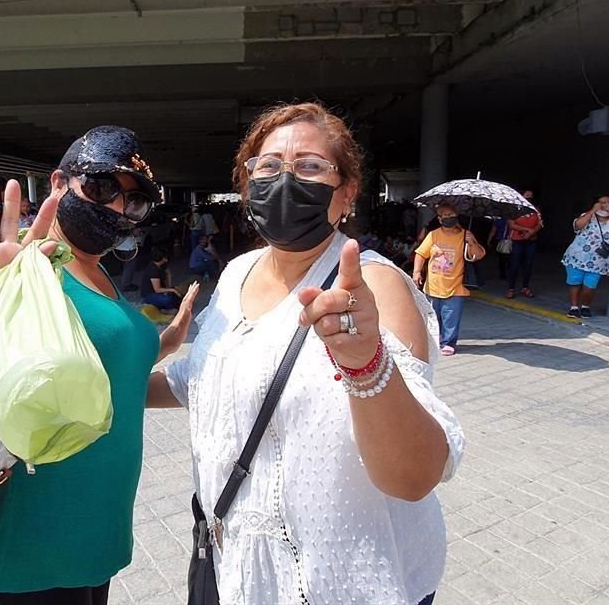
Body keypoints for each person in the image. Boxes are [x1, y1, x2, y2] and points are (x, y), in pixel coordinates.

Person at [147, 102, 463, 605]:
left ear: (348, 192)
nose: (285, 180)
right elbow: (200, 381)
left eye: (310, 166)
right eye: (268, 167)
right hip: (235, 573)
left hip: (344, 580)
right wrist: (108, 368)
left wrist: (367, 365)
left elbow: (414, 477)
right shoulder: (235, 275)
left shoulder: (375, 286)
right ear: (247, 186)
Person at [0, 126, 198, 605]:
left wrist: (163, 350)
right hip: (16, 554)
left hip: (89, 542)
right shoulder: (13, 268)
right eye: (102, 187)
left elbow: (90, 374)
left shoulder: (101, 274)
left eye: (134, 202)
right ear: (59, 183)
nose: (117, 207)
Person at [413, 204, 485, 356]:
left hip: (456, 285)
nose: (448, 218)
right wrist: (417, 272)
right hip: (433, 286)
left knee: (451, 316)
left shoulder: (465, 235)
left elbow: (478, 255)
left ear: (457, 216)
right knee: (433, 316)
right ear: (439, 219)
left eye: (451, 215)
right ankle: (434, 340)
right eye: (444, 216)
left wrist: (471, 242)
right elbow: (421, 254)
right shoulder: (433, 235)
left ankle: (448, 342)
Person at [561, 196, 609, 318]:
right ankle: (574, 307)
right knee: (574, 282)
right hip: (577, 256)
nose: (605, 205)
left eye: (607, 202)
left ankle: (585, 306)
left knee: (590, 285)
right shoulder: (587, 215)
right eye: (601, 202)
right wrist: (592, 211)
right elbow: (577, 225)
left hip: (599, 260)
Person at [506, 189, 543, 298]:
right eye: (526, 195)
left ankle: (525, 287)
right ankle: (511, 288)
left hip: (531, 240)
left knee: (528, 265)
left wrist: (532, 232)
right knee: (514, 264)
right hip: (517, 240)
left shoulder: (535, 209)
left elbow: (540, 223)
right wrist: (527, 230)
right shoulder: (513, 208)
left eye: (530, 196)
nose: (528, 198)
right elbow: (511, 224)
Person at [140, 246, 181, 310]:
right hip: (150, 294)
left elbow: (168, 273)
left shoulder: (162, 264)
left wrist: (169, 287)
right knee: (168, 299)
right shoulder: (153, 270)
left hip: (160, 290)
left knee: (176, 293)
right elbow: (157, 289)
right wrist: (172, 290)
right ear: (163, 258)